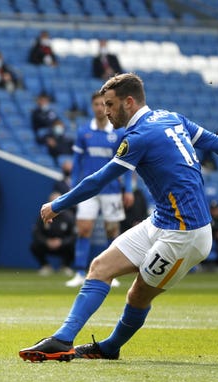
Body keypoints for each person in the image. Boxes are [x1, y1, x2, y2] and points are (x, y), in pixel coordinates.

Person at [18, 73, 218, 363]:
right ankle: (63, 340)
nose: (106, 112)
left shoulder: (139, 136)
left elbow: (99, 180)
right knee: (101, 266)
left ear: (129, 102)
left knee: (137, 295)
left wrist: (58, 204)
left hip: (185, 235)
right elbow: (216, 142)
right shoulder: (171, 117)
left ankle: (110, 347)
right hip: (162, 220)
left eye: (111, 105)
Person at [64, 92, 133, 289]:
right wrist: (73, 187)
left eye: (103, 104)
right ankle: (79, 272)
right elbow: (77, 163)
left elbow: (126, 165)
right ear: (92, 107)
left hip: (111, 189)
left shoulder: (118, 133)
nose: (99, 108)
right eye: (95, 104)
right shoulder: (84, 132)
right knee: (83, 229)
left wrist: (127, 189)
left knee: (112, 231)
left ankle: (112, 273)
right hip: (88, 190)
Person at [30, 191, 76, 277]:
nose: (56, 204)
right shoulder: (43, 215)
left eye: (58, 201)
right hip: (47, 245)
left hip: (63, 246)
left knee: (74, 246)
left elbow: (73, 236)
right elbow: (36, 233)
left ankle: (65, 266)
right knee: (34, 245)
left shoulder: (69, 216)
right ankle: (45, 266)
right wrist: (46, 241)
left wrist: (62, 242)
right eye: (53, 202)